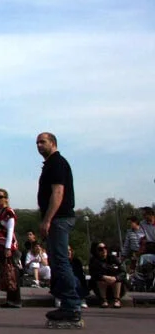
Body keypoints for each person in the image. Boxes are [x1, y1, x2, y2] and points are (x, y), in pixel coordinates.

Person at [36, 131, 81, 324]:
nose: (39, 145)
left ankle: (71, 306)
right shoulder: (53, 163)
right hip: (59, 218)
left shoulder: (56, 163)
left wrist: (47, 220)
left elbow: (58, 192)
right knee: (58, 262)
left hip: (59, 219)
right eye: (37, 143)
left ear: (53, 143)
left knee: (61, 262)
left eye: (42, 142)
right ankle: (70, 303)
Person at [0, 188, 22, 308]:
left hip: (8, 246)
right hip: (0, 244)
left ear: (6, 199)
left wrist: (8, 247)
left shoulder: (9, 212)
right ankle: (10, 299)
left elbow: (10, 230)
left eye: (0, 197)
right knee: (7, 272)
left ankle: (16, 299)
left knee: (12, 272)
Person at [88, 243, 125, 307]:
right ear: (96, 251)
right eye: (100, 249)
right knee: (100, 280)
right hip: (100, 288)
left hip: (117, 287)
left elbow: (123, 272)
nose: (104, 250)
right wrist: (104, 277)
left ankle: (117, 300)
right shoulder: (94, 261)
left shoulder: (113, 258)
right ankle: (103, 300)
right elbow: (93, 274)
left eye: (105, 248)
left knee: (117, 279)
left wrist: (116, 278)